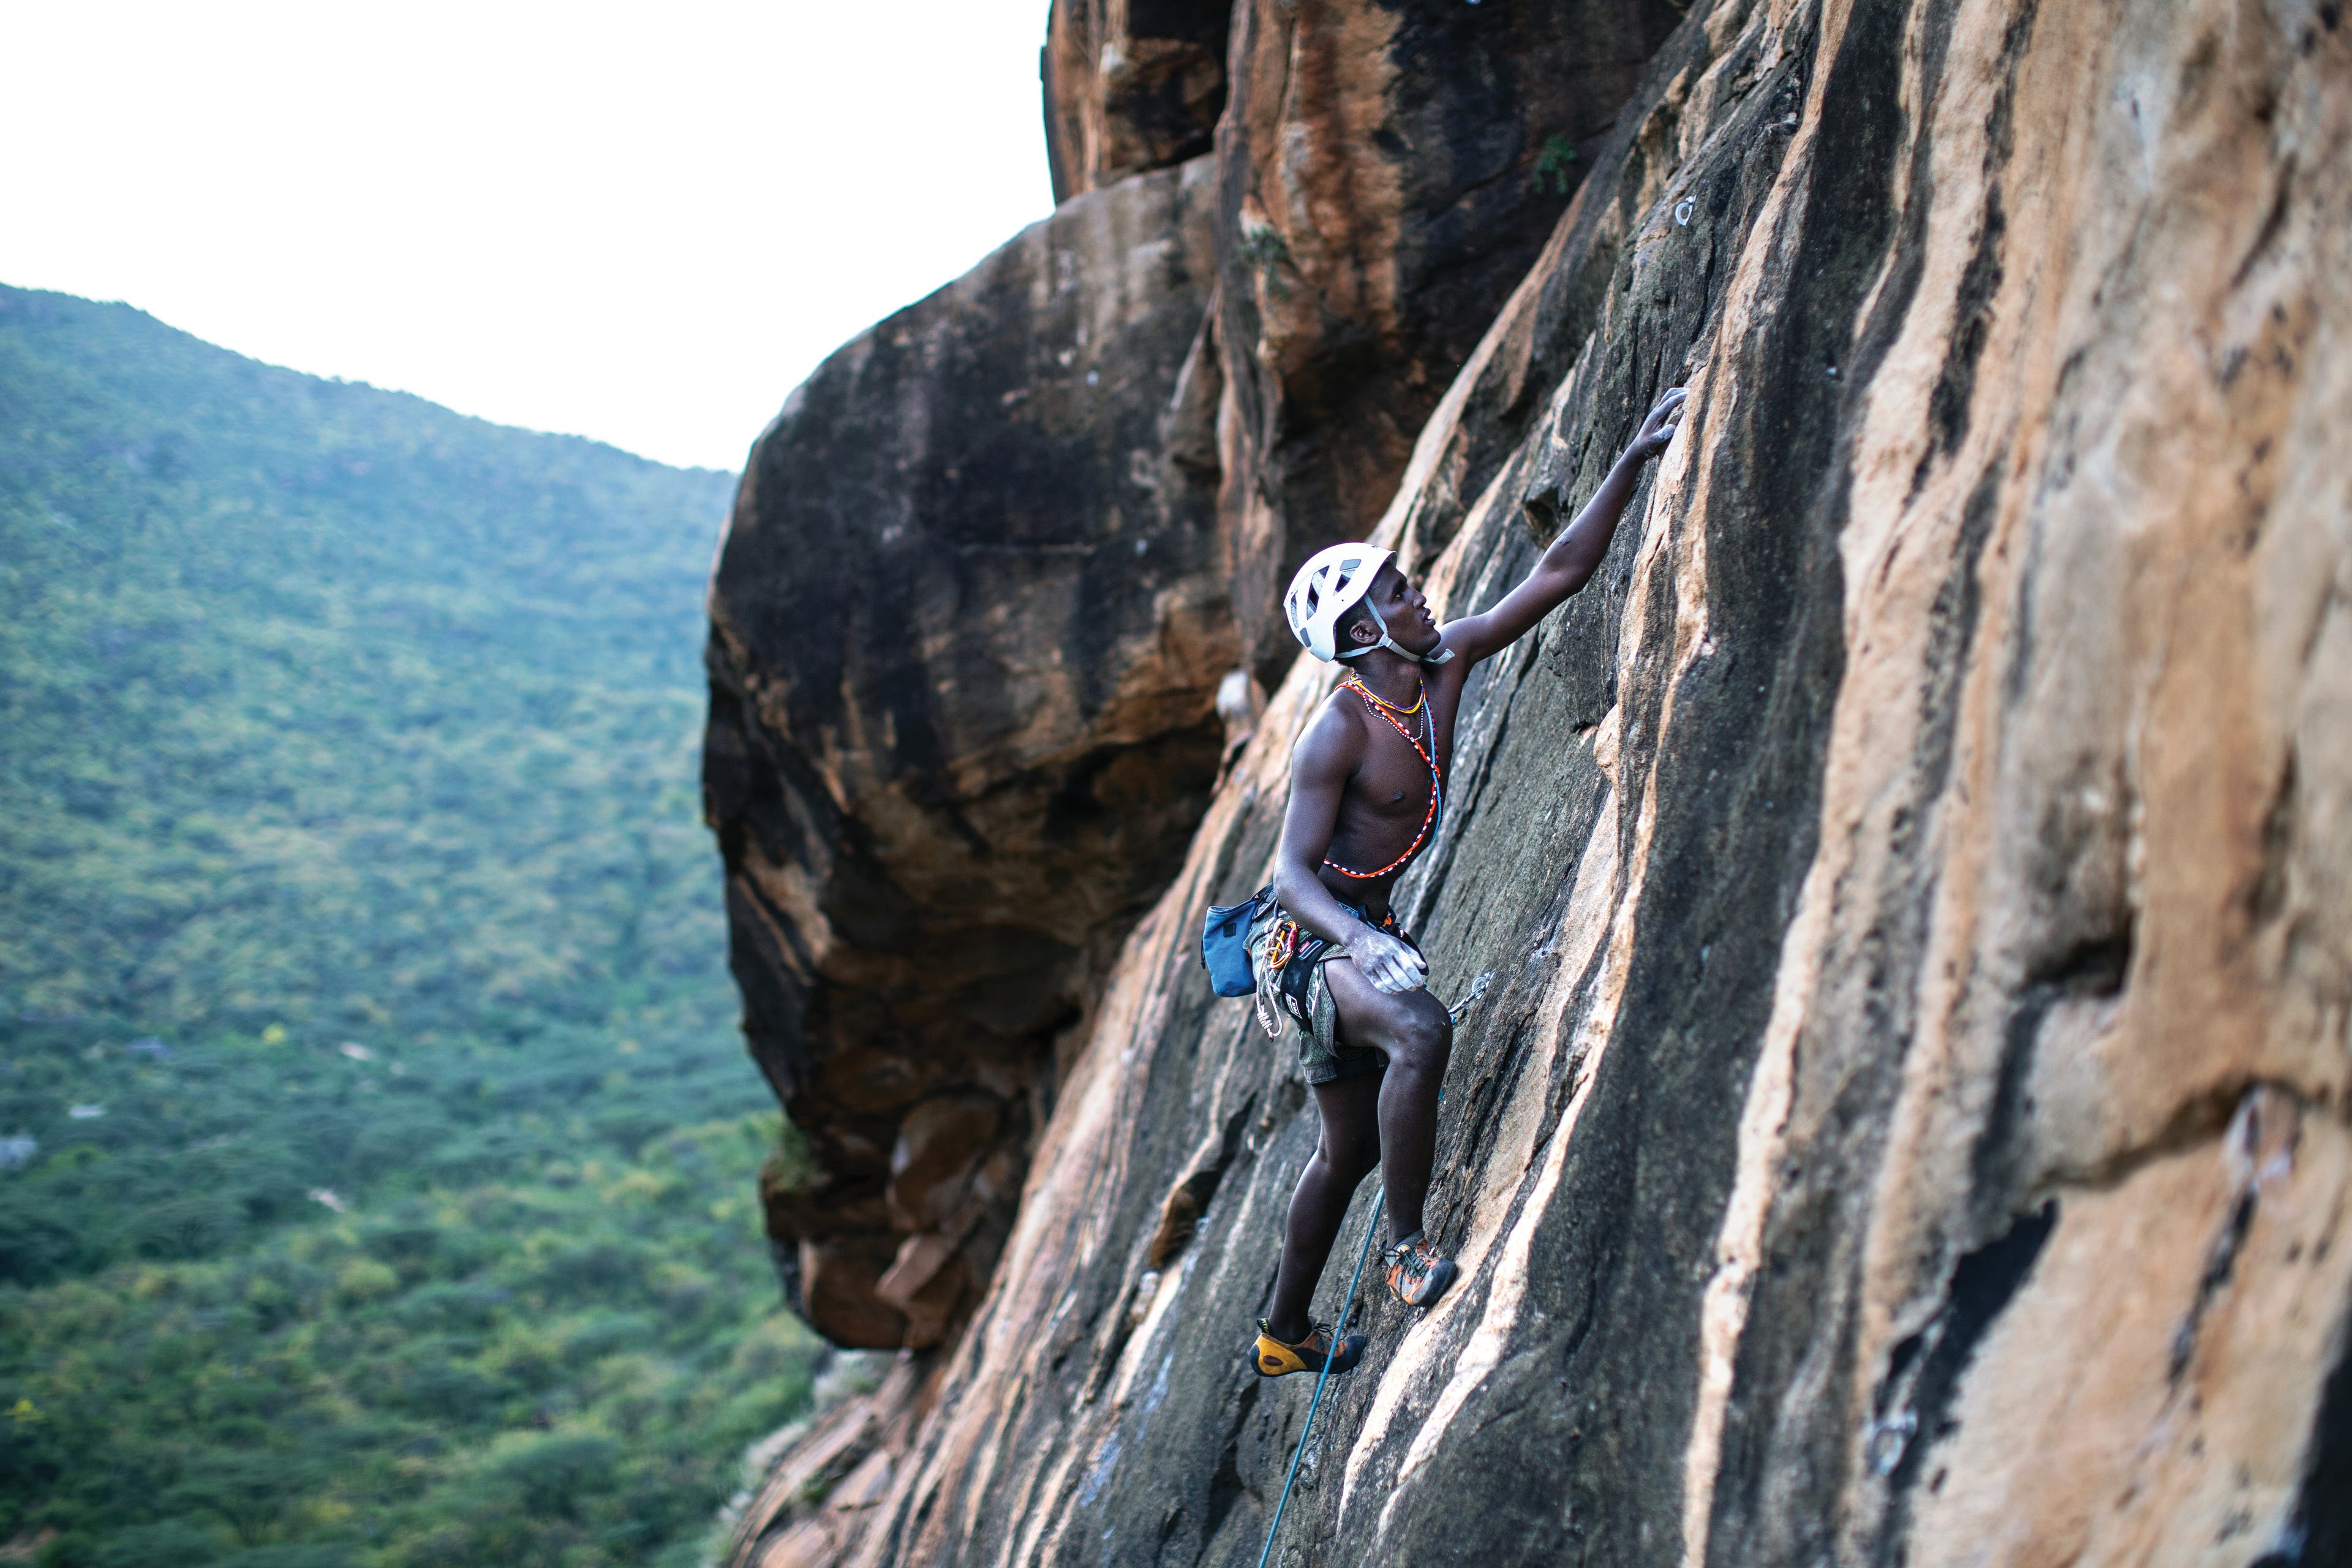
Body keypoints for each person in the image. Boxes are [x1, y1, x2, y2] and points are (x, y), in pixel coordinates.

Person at [1250, 386, 1689, 1378]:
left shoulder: (1442, 664)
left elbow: (1558, 572)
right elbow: (1286, 876)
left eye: (1408, 581)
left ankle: (1284, 1334)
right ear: (1362, 636)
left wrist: (1630, 461)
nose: (1421, 595)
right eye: (1398, 593)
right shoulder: (1341, 730)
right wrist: (1362, 942)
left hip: (1357, 933)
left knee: (1348, 1151)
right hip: (1313, 945)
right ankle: (1406, 1256)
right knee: (1419, 1028)